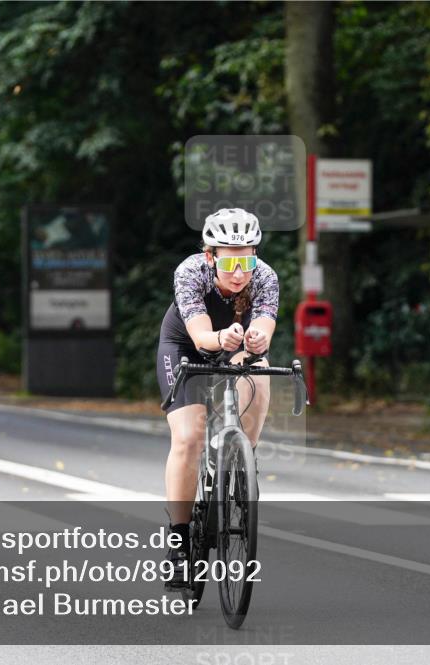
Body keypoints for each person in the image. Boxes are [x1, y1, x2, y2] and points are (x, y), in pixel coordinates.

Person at [156, 208, 278, 589]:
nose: (239, 272)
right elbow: (201, 336)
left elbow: (264, 329)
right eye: (229, 262)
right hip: (187, 349)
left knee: (259, 370)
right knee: (189, 438)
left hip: (235, 348)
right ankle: (178, 543)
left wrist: (257, 339)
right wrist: (221, 338)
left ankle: (243, 459)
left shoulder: (265, 277)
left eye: (247, 261)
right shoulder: (191, 272)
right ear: (211, 257)